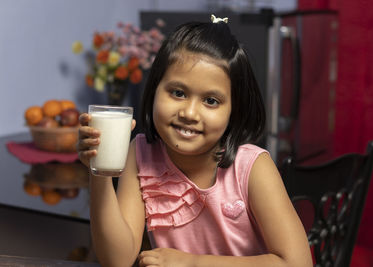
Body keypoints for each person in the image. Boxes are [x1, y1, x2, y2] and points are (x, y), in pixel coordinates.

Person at [77, 14, 312, 267]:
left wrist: (194, 263)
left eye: (211, 101)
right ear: (155, 88)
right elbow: (117, 260)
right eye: (178, 93)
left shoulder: (252, 167)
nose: (189, 113)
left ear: (234, 110)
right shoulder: (141, 153)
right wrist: (98, 170)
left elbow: (298, 263)